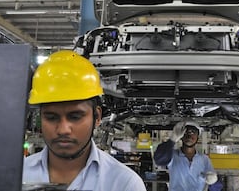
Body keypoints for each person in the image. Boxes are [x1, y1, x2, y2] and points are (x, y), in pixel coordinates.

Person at [22, 50, 146, 191]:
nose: (63, 129)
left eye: (75, 117)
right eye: (51, 117)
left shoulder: (124, 184)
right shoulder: (18, 176)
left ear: (97, 117)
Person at [153, 121, 223, 191]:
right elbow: (159, 159)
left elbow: (217, 188)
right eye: (186, 132)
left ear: (198, 137)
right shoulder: (173, 156)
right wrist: (172, 139)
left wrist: (214, 182)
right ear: (181, 136)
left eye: (193, 132)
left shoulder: (204, 159)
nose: (189, 136)